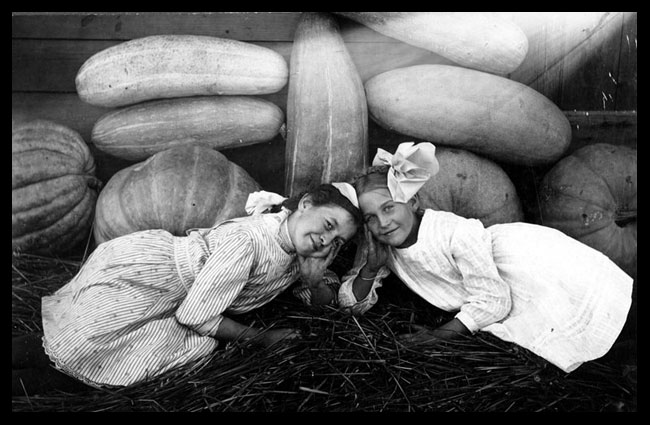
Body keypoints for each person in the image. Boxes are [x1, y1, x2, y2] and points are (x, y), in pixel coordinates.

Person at [12, 183, 362, 395]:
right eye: (327, 224)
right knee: (81, 352)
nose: (325, 240)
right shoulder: (249, 242)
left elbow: (322, 301)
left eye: (337, 241)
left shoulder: (298, 250)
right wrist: (261, 338)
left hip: (180, 297)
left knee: (89, 357)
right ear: (305, 205)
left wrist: (313, 279)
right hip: (151, 279)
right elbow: (195, 315)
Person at [338, 142, 633, 373]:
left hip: (524, 262)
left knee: (583, 310)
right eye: (370, 218)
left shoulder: (455, 233)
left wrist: (439, 335)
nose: (382, 223)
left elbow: (495, 301)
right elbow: (349, 305)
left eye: (389, 208)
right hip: (494, 278)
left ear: (413, 201)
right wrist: (370, 269)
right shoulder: (379, 243)